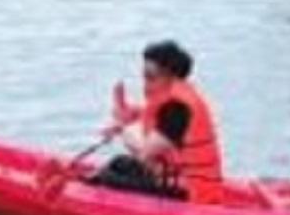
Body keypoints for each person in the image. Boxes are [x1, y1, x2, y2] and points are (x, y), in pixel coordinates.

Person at [90, 40, 226, 201]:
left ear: (170, 75)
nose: (145, 84)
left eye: (150, 77)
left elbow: (145, 152)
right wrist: (129, 115)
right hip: (181, 182)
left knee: (112, 175)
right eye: (144, 76)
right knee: (119, 164)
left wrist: (123, 129)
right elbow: (154, 120)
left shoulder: (178, 107)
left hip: (191, 193)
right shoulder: (177, 98)